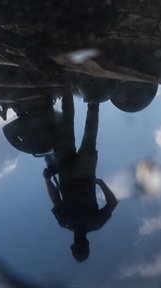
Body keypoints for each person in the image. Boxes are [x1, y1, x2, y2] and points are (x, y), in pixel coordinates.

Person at [43, 91, 117, 262]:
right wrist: (99, 182)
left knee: (72, 129)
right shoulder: (89, 223)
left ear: (73, 246)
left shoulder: (68, 222)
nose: (80, 244)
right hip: (82, 171)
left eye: (78, 247)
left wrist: (47, 180)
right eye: (82, 247)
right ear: (86, 245)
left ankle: (71, 91)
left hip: (70, 171)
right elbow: (113, 203)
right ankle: (88, 96)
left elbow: (55, 198)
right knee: (86, 133)